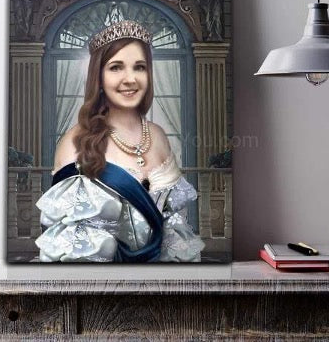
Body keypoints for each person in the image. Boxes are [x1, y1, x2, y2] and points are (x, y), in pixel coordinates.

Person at [35, 20, 205, 263]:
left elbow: (174, 230)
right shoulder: (75, 142)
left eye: (139, 67)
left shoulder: (157, 135)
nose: (130, 79)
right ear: (99, 77)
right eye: (116, 68)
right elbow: (73, 249)